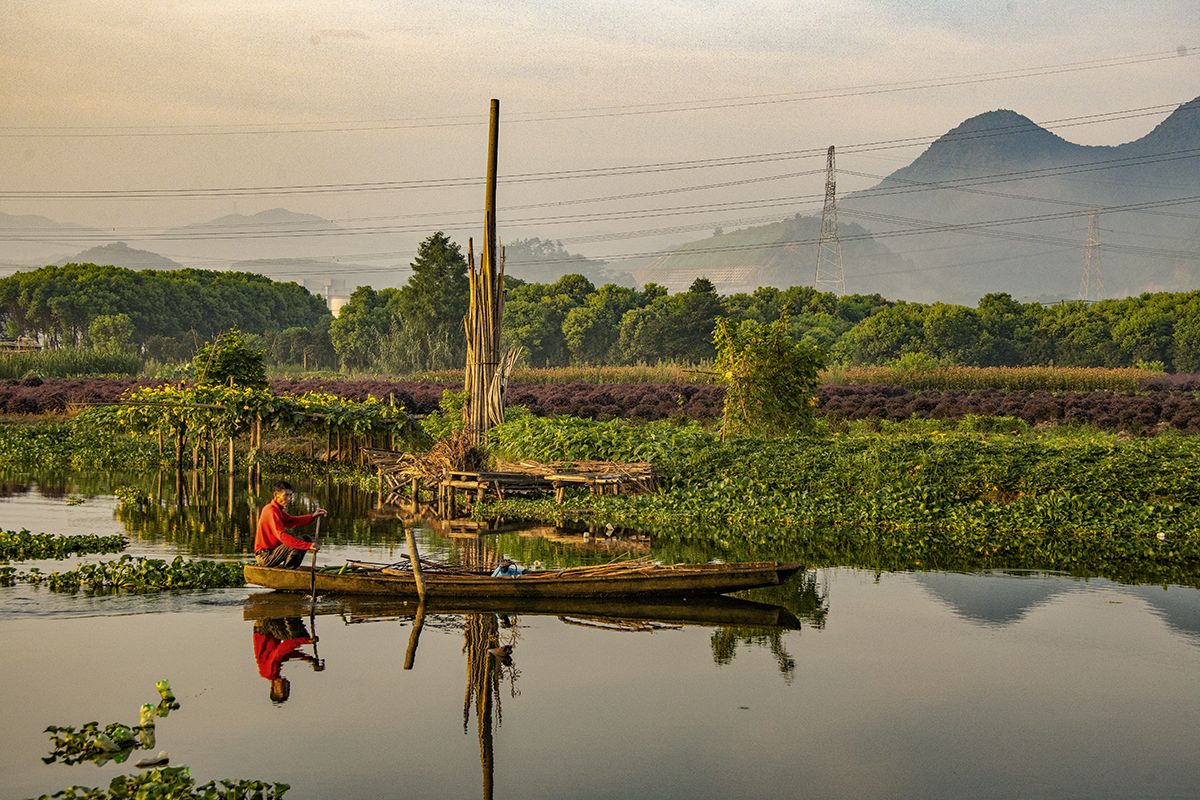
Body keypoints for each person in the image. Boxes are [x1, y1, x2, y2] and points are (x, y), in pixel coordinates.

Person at [254, 481, 327, 569]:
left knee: (306, 539)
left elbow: (292, 521)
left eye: (290, 495)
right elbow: (282, 536)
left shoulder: (277, 510)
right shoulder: (271, 511)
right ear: (276, 495)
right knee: (300, 541)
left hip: (273, 553)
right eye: (286, 495)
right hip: (265, 556)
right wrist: (307, 546)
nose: (289, 499)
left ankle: (291, 569)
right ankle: (288, 570)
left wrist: (312, 516)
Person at [253, 617, 321, 703]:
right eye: (287, 691)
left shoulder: (269, 672)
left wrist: (305, 640)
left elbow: (281, 651)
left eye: (283, 690)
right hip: (268, 630)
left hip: (264, 628)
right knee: (295, 635)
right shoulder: (274, 672)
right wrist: (309, 659)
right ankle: (293, 615)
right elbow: (287, 655)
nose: (286, 687)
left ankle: (293, 614)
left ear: (273, 688)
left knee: (297, 635)